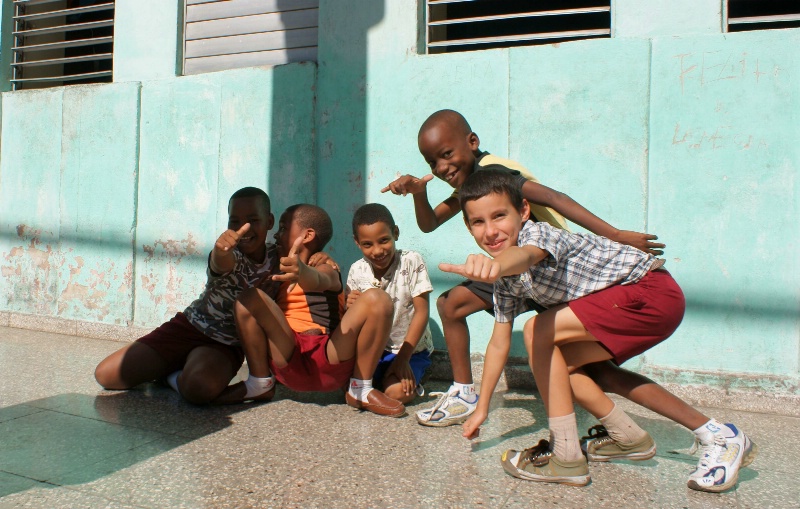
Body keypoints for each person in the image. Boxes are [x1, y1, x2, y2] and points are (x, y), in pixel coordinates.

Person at [443, 169, 755, 491]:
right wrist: (483, 408)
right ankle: (698, 435)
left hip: (649, 290)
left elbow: (523, 256)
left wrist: (495, 265)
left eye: (499, 216)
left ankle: (565, 456)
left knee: (537, 329)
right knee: (568, 369)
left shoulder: (539, 235)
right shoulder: (505, 283)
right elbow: (498, 343)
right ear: (468, 227)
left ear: (523, 211)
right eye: (478, 222)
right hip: (631, 302)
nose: (491, 230)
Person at [382, 109, 665, 427]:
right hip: (518, 276)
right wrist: (420, 193)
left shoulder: (494, 173)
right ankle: (464, 393)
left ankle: (645, 428)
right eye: (433, 162)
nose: (442, 167)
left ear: (472, 142)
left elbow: (553, 198)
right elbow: (430, 223)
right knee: (451, 305)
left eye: (447, 154)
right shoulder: (470, 184)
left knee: (591, 371)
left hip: (556, 273)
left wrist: (614, 235)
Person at [94, 187, 282, 404]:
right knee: (106, 375)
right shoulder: (229, 253)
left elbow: (310, 254)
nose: (244, 228)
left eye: (252, 220)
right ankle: (175, 365)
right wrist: (221, 251)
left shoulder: (278, 257)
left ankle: (170, 377)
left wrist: (322, 262)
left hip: (225, 345)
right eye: (235, 221)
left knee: (199, 388)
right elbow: (220, 262)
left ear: (269, 221)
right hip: (188, 327)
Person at [215, 204, 405, 417]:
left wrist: (302, 271)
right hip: (288, 353)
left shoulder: (326, 266)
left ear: (307, 235)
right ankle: (260, 382)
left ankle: (360, 388)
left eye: (284, 228)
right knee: (248, 298)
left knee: (377, 298)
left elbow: (320, 280)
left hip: (328, 355)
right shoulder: (275, 265)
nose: (277, 234)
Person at [346, 203, 433, 404]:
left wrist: (403, 359)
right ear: (357, 243)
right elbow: (352, 322)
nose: (377, 251)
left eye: (384, 240)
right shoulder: (357, 270)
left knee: (398, 394)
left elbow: (421, 313)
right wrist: (349, 306)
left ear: (395, 233)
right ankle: (373, 384)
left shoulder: (411, 261)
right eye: (367, 244)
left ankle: (399, 377)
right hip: (373, 352)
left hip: (409, 351)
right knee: (342, 385)